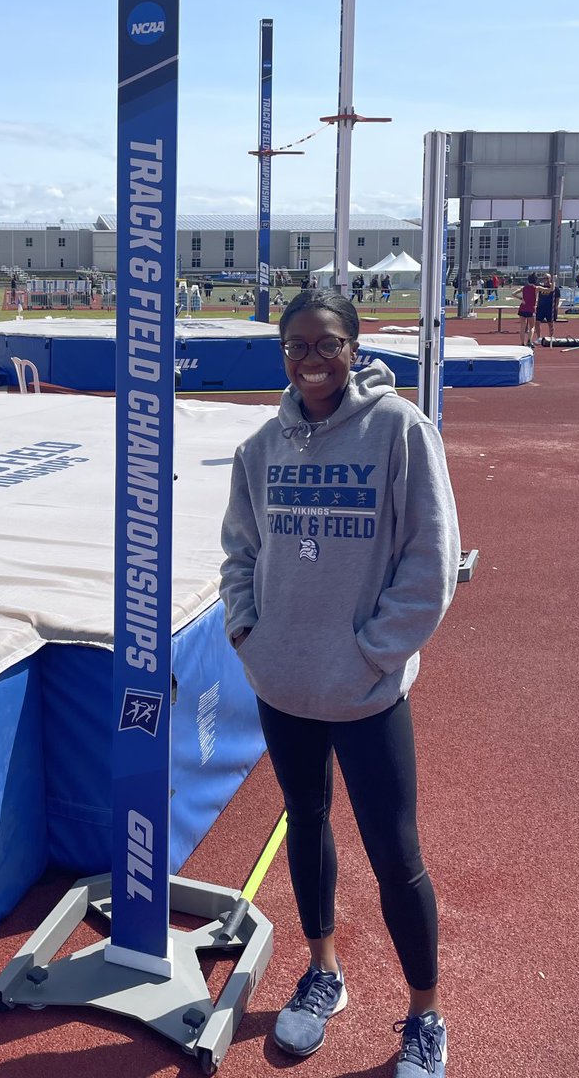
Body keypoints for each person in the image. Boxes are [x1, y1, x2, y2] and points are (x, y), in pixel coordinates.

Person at [220, 291, 459, 1078]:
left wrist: (373, 654)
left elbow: (429, 561)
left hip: (364, 690)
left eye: (326, 344)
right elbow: (239, 552)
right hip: (283, 683)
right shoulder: (260, 447)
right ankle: (323, 971)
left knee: (396, 853)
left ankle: (424, 1015)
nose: (310, 360)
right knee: (305, 820)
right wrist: (250, 635)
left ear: (353, 347)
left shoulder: (398, 430)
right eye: (294, 347)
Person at [533, 274, 560, 345]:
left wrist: (555, 308)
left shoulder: (555, 288)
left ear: (550, 279)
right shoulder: (541, 287)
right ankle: (539, 338)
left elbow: (557, 299)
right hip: (541, 308)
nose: (546, 280)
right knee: (537, 322)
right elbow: (538, 297)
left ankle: (551, 338)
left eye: (547, 278)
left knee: (550, 324)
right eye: (544, 278)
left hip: (550, 308)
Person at [516, 277, 538, 346]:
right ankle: (529, 341)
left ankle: (522, 343)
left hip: (522, 308)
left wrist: (521, 298)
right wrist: (554, 281)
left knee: (522, 327)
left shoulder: (524, 288)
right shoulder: (536, 288)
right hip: (530, 309)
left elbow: (513, 294)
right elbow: (550, 289)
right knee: (532, 327)